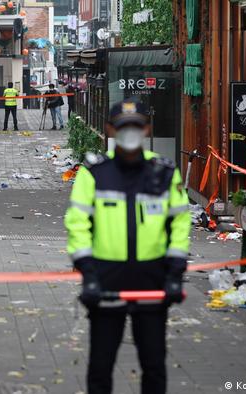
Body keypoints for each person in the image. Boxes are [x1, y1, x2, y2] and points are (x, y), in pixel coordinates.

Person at [64, 99, 191, 394]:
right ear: (111, 129)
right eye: (123, 127)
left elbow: (180, 225)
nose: (130, 133)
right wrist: (88, 273)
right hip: (106, 280)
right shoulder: (93, 174)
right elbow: (78, 224)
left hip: (152, 281)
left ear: (146, 129)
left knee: (154, 366)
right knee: (100, 367)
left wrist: (175, 273)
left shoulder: (165, 173)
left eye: (136, 126)